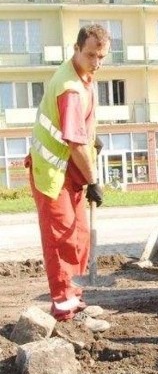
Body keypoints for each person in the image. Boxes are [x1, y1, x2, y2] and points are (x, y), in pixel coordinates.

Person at [25, 25, 111, 333]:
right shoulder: (70, 88)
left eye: (101, 56)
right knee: (61, 240)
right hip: (52, 174)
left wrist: (93, 141)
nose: (96, 63)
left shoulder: (85, 77)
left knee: (78, 237)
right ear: (75, 49)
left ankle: (74, 298)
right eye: (90, 55)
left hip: (69, 172)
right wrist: (94, 180)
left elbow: (81, 134)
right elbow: (74, 143)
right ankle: (63, 307)